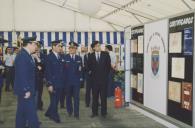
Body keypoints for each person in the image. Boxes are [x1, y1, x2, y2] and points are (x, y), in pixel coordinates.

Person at [14, 36, 40, 128]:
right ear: (29, 44)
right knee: (32, 115)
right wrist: (26, 89)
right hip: (26, 90)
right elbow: (22, 74)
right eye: (35, 44)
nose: (36, 46)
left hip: (27, 89)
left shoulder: (26, 55)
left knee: (22, 114)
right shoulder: (22, 56)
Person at [88, 41, 111, 118]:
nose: (99, 47)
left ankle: (104, 113)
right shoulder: (91, 56)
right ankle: (94, 112)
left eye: (99, 45)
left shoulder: (106, 55)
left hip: (103, 80)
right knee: (95, 98)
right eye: (97, 46)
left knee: (103, 97)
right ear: (94, 48)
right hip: (94, 81)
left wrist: (104, 76)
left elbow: (108, 67)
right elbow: (89, 67)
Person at [45, 40, 65, 123]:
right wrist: (49, 84)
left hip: (60, 83)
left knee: (56, 100)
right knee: (54, 100)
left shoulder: (60, 56)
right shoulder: (49, 57)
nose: (60, 48)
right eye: (59, 46)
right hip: (53, 83)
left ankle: (48, 112)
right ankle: (54, 116)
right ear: (53, 47)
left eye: (61, 46)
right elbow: (47, 72)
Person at [64, 41, 82, 119]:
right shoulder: (65, 57)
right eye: (70, 48)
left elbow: (81, 70)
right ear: (69, 49)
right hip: (67, 82)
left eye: (73, 48)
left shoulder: (79, 58)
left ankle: (76, 113)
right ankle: (70, 111)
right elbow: (62, 70)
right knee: (68, 98)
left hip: (76, 82)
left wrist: (81, 80)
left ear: (76, 49)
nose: (72, 49)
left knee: (76, 98)